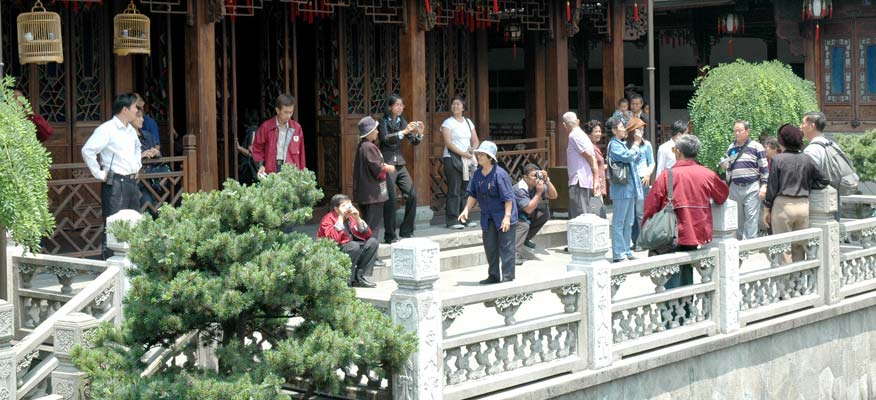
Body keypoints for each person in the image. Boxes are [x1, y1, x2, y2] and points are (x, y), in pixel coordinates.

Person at [643, 134, 729, 288]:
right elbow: (722, 195)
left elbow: (651, 206)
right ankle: (687, 303)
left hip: (669, 234)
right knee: (687, 274)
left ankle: (676, 303)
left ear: (678, 151)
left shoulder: (667, 175)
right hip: (696, 232)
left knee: (671, 279)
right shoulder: (707, 174)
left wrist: (647, 229)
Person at [81, 93, 142, 259]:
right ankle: (110, 265)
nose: (137, 111)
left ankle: (133, 263)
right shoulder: (107, 129)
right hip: (115, 183)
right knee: (114, 226)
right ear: (125, 110)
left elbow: (138, 147)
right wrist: (99, 173)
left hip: (131, 182)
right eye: (134, 107)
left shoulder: (130, 130)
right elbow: (87, 150)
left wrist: (137, 165)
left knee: (134, 222)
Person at [763, 124, 829, 264]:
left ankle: (787, 277)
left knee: (783, 248)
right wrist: (807, 186)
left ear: (782, 141)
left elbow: (772, 187)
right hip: (803, 206)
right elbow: (824, 180)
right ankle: (798, 277)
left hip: (783, 206)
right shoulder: (807, 159)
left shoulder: (778, 160)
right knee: (799, 246)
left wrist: (766, 209)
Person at [459, 141, 518, 284]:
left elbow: (508, 198)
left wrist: (507, 217)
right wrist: (466, 210)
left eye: (482, 155)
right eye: (478, 154)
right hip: (487, 216)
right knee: (490, 246)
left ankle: (508, 277)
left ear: (490, 158)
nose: (478, 156)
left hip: (504, 215)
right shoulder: (477, 174)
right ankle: (493, 275)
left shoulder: (500, 174)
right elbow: (472, 194)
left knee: (506, 247)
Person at [379, 94, 424, 243]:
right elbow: (385, 138)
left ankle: (407, 230)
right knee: (391, 200)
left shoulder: (402, 121)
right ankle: (390, 235)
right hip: (388, 164)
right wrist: (403, 132)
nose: (400, 108)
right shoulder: (383, 121)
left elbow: (413, 141)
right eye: (397, 105)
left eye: (401, 105)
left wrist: (419, 134)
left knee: (412, 195)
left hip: (400, 163)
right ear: (390, 107)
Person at [720, 120, 768, 240]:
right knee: (737, 218)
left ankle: (749, 245)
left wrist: (764, 185)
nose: (737, 133)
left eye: (739, 130)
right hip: (735, 186)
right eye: (735, 131)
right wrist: (725, 166)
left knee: (751, 218)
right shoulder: (731, 148)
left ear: (747, 131)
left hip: (751, 186)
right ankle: (740, 244)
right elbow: (730, 168)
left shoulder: (757, 147)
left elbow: (764, 168)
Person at [317, 194, 379, 288]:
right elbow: (333, 240)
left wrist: (357, 218)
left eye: (349, 205)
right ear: (336, 209)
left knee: (373, 242)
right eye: (344, 206)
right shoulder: (328, 219)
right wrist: (340, 217)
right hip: (334, 251)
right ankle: (346, 279)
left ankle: (359, 277)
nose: (348, 208)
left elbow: (367, 235)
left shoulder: (351, 217)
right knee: (353, 246)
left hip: (351, 249)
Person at [801, 111, 852, 221]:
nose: (801, 127)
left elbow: (808, 176)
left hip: (819, 202)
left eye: (803, 123)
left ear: (812, 126)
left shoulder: (812, 150)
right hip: (834, 196)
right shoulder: (832, 144)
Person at [606, 117, 643, 262]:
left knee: (629, 222)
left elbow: (635, 157)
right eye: (622, 127)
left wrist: (636, 146)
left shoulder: (621, 143)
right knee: (619, 222)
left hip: (629, 187)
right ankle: (618, 253)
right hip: (621, 188)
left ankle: (627, 250)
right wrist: (636, 144)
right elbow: (628, 157)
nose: (624, 129)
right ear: (614, 130)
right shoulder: (614, 145)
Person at [441, 96, 480, 229]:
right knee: (454, 189)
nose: (455, 106)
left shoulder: (468, 122)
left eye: (458, 104)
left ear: (463, 107)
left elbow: (475, 140)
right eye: (453, 104)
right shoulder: (448, 123)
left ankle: (464, 217)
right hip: (452, 158)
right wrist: (464, 154)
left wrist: (472, 149)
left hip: (467, 159)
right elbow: (449, 143)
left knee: (466, 189)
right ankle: (452, 219)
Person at [514, 164, 557, 264]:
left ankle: (525, 238)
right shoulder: (519, 189)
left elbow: (554, 196)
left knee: (544, 214)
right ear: (525, 177)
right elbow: (528, 209)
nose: (536, 178)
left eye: (538, 175)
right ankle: (514, 254)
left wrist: (547, 181)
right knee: (524, 225)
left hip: (524, 214)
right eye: (533, 176)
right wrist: (539, 193)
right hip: (511, 217)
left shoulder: (537, 185)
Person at [253, 94, 306, 176]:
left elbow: (301, 153)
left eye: (291, 112)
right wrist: (261, 165)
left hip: (291, 170)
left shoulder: (297, 128)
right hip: (271, 168)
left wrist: (302, 172)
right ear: (277, 110)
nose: (288, 116)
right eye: (285, 112)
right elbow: (257, 148)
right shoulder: (266, 127)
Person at [565, 112, 600, 219]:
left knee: (579, 218)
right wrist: (596, 178)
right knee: (584, 216)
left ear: (564, 125)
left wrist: (596, 178)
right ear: (578, 121)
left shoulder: (573, 135)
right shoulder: (583, 135)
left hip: (579, 181)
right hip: (586, 179)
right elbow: (592, 157)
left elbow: (589, 156)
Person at [627, 117, 654, 248]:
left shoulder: (646, 144)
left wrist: (648, 173)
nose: (641, 132)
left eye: (642, 130)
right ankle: (634, 240)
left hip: (643, 179)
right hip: (630, 180)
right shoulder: (627, 145)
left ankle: (641, 241)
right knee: (631, 213)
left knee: (640, 212)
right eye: (638, 130)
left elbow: (652, 162)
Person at [584, 120, 608, 218]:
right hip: (594, 183)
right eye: (596, 131)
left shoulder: (594, 146)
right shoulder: (590, 147)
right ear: (589, 134)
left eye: (600, 131)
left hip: (598, 181)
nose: (599, 134)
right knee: (598, 214)